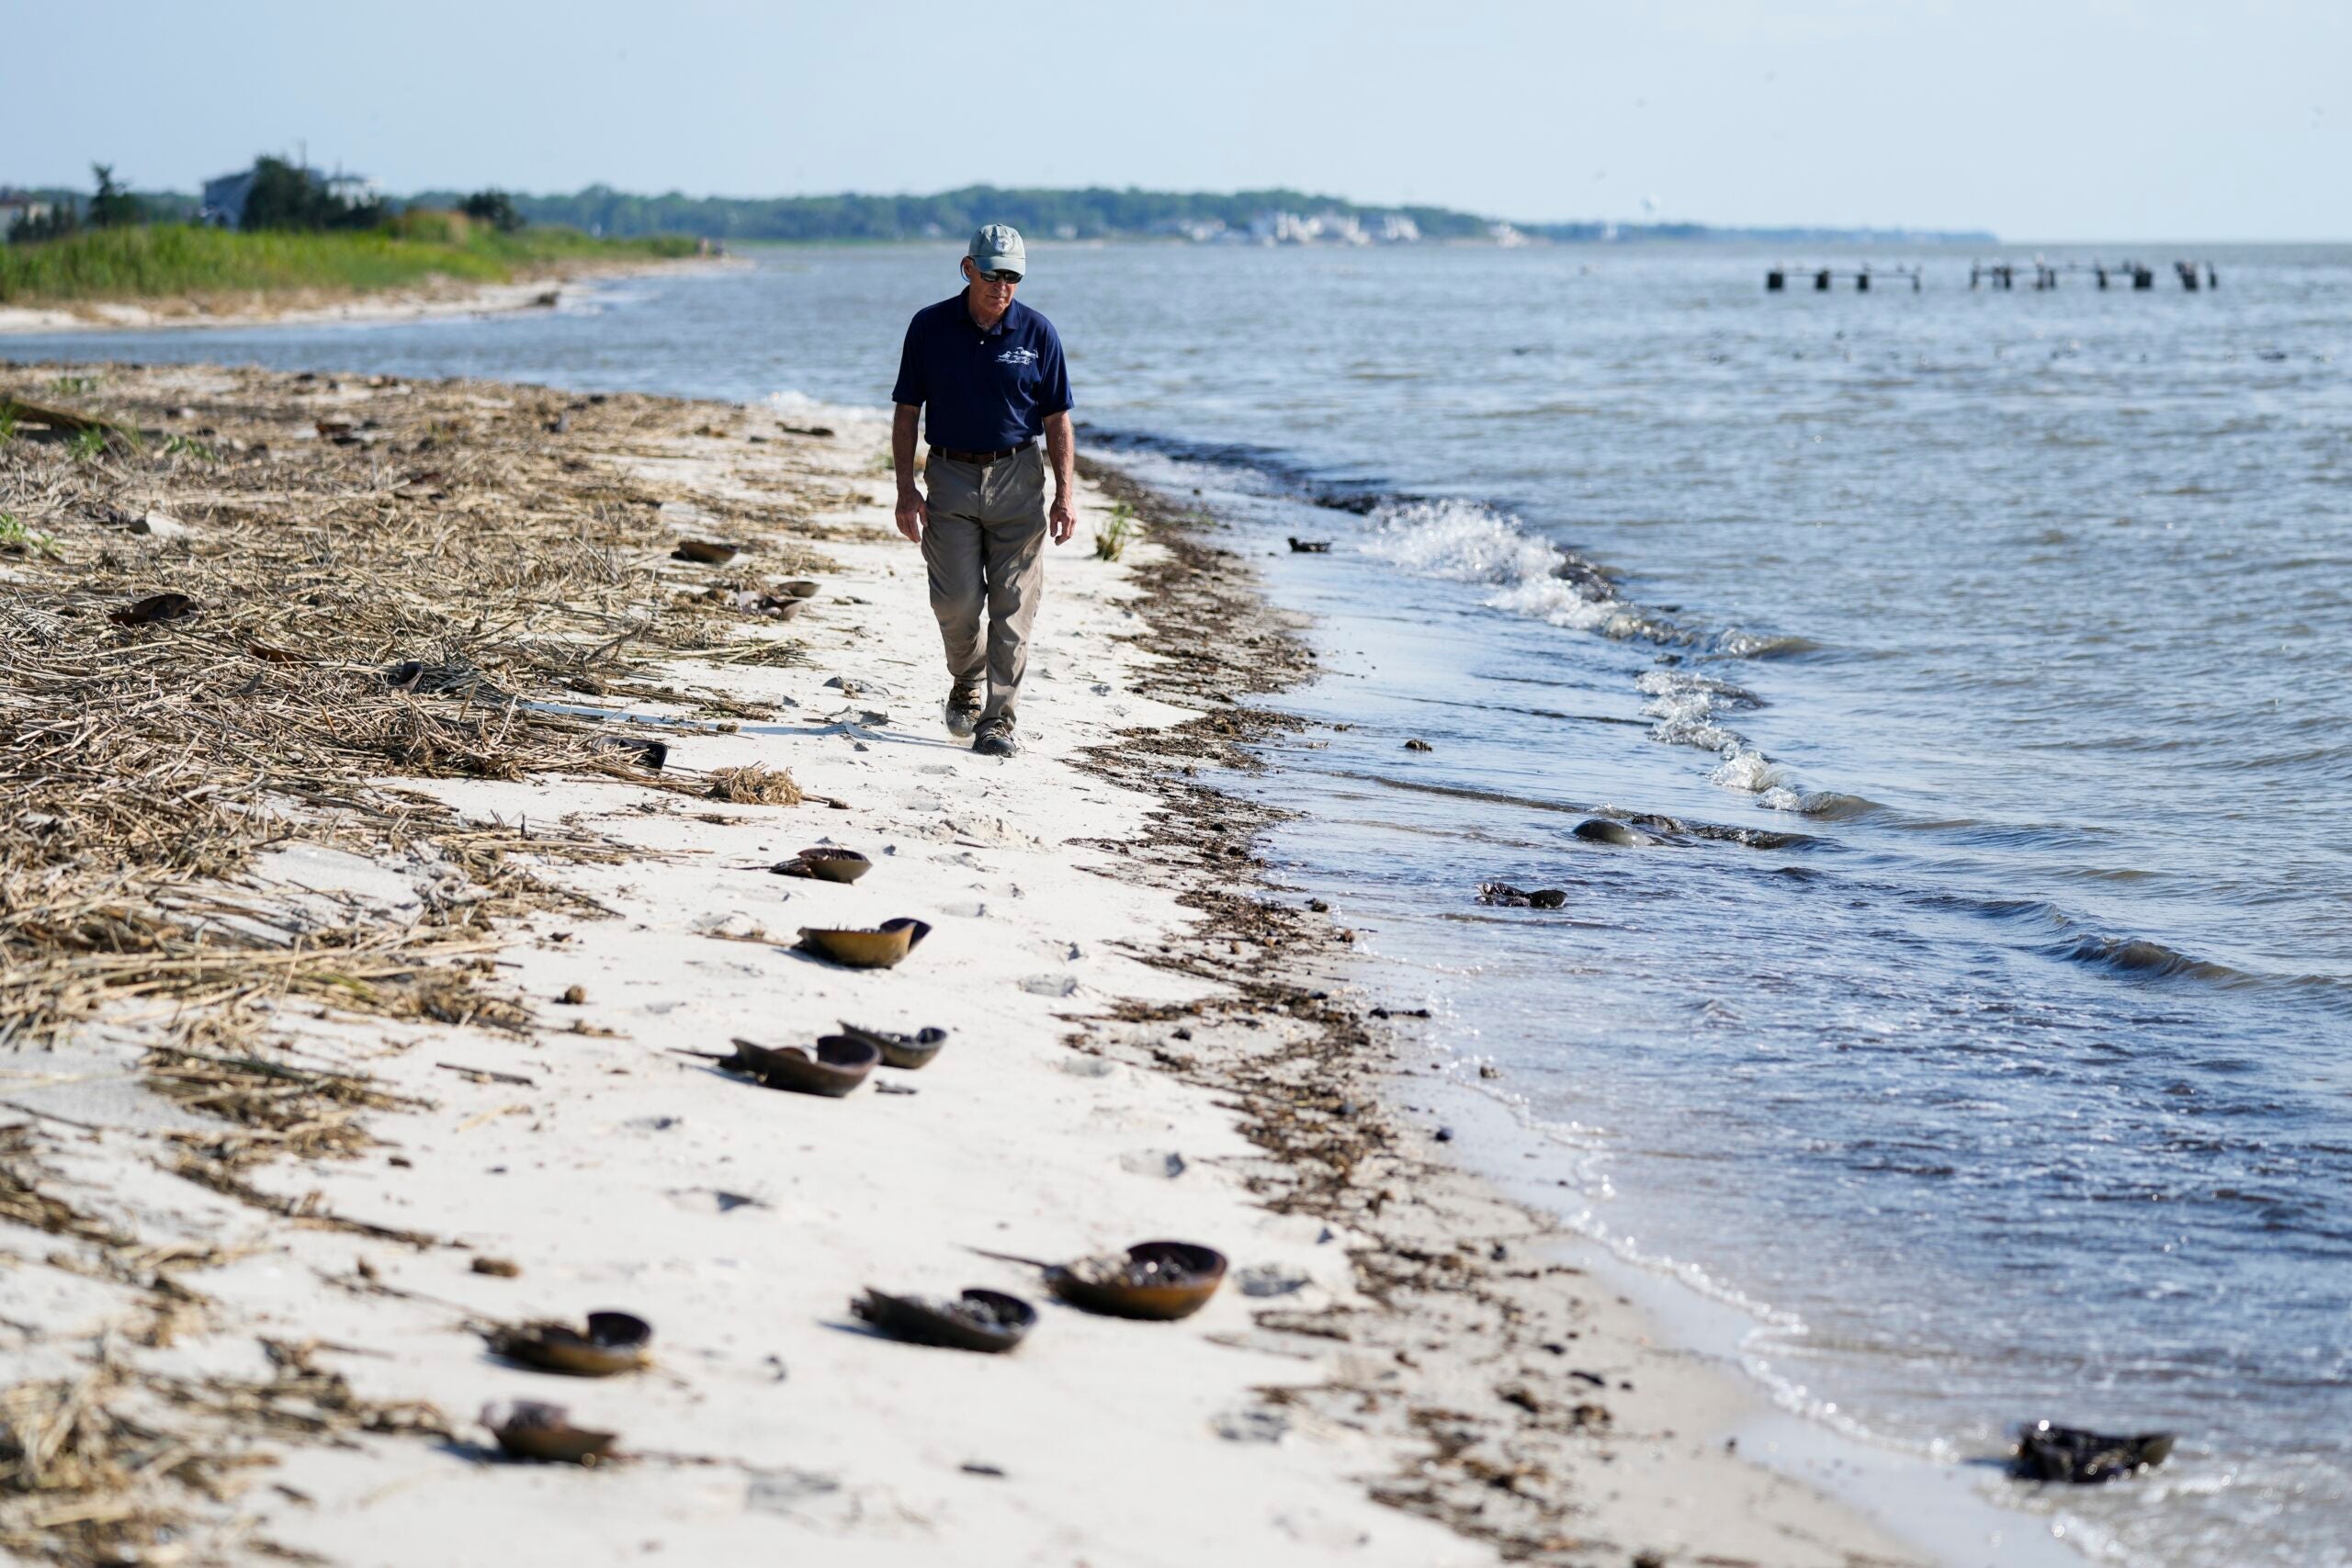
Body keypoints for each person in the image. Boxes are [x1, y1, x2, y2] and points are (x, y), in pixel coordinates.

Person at [889, 223, 1077, 757]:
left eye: (1013, 276)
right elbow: (907, 411)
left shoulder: (1038, 333)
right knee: (956, 603)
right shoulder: (929, 327)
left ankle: (997, 719)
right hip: (949, 476)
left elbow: (1058, 419)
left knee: (1014, 610)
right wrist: (907, 490)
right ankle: (966, 681)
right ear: (968, 268)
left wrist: (1065, 494)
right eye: (993, 273)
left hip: (1018, 479)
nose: (1003, 285)